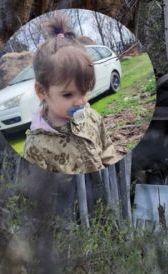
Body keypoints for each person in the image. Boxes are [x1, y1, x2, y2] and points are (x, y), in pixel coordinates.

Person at [23, 14, 120, 174]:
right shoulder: (36, 147)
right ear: (42, 91)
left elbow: (107, 150)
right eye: (68, 95)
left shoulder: (92, 116)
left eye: (85, 91)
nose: (81, 101)